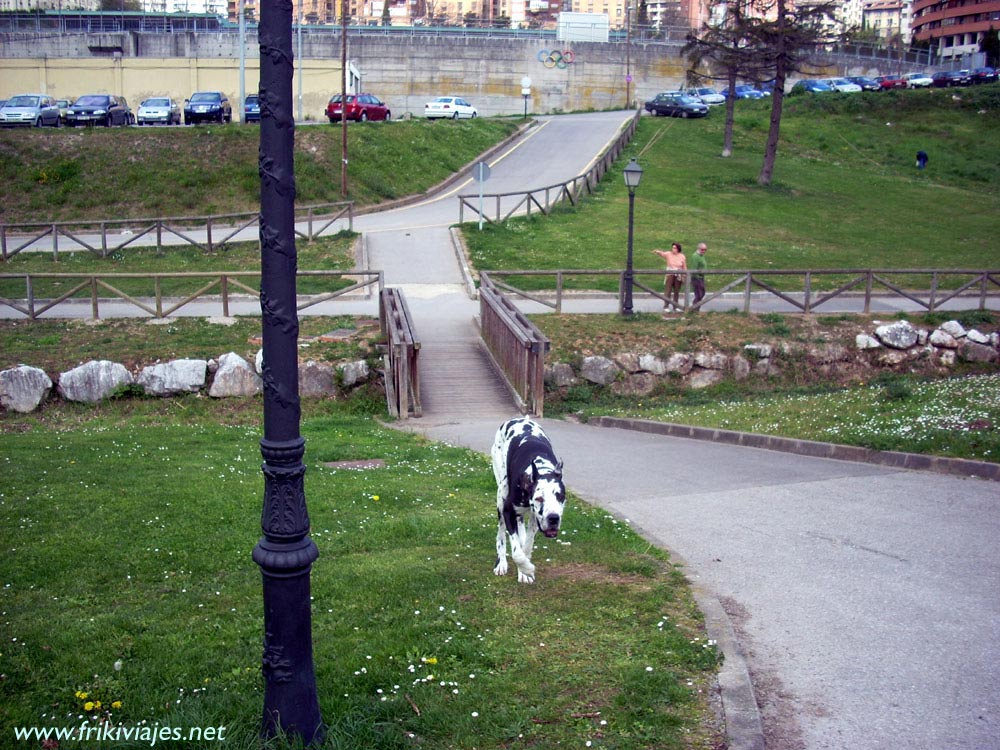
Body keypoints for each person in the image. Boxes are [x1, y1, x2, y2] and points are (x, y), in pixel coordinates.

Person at [652, 243, 687, 312]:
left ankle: (675, 306)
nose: (673, 249)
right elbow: (662, 253)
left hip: (678, 275)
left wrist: (685, 274)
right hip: (670, 274)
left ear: (678, 249)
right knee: (668, 290)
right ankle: (666, 306)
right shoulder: (668, 254)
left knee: (676, 291)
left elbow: (684, 266)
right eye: (672, 247)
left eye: (675, 248)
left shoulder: (682, 256)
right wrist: (657, 251)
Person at [690, 242, 708, 310]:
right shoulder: (695, 256)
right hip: (697, 278)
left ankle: (696, 308)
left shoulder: (701, 255)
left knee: (702, 293)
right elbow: (694, 268)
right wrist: (697, 276)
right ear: (698, 248)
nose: (704, 251)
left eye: (705, 249)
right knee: (699, 294)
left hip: (701, 277)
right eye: (702, 249)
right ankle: (694, 308)